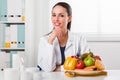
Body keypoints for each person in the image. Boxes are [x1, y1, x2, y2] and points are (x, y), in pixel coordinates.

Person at [37, 2, 89, 72]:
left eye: (61, 15)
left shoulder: (79, 39)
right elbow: (48, 69)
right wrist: (50, 41)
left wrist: (59, 68)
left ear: (69, 18)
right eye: (54, 15)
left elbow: (87, 64)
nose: (56, 19)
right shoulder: (44, 40)